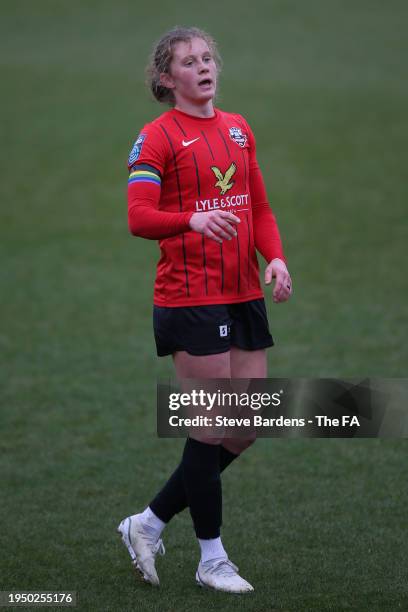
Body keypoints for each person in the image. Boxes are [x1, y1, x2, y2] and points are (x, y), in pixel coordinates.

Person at [118, 26, 292, 594]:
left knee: (247, 426)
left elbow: (257, 203)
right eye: (189, 61)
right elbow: (139, 216)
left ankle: (147, 523)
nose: (204, 66)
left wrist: (277, 259)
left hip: (243, 291)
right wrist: (190, 219)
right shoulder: (157, 138)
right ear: (167, 80)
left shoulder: (239, 129)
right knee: (212, 426)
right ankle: (211, 558)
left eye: (208, 57)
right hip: (190, 297)